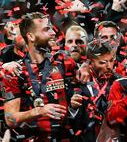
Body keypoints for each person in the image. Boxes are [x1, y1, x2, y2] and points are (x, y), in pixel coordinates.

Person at [1, 12, 77, 141]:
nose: (53, 33)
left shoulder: (64, 61)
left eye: (52, 28)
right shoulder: (14, 72)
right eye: (46, 29)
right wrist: (39, 111)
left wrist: (75, 97)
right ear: (31, 36)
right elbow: (10, 119)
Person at [69, 40, 120, 141]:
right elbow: (71, 122)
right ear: (90, 62)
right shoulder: (76, 82)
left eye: (111, 60)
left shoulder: (120, 82)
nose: (109, 66)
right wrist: (72, 108)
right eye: (103, 62)